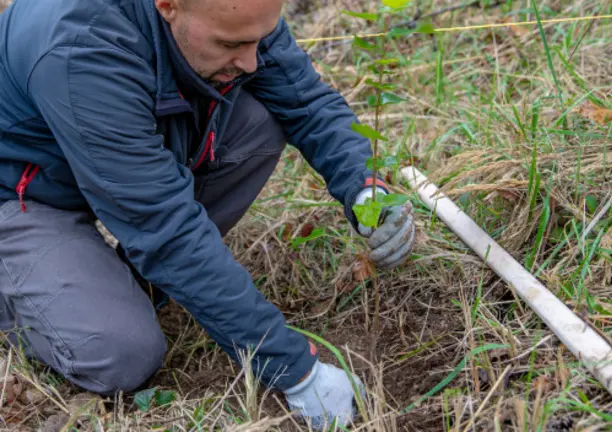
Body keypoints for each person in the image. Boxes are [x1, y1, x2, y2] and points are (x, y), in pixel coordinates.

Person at [0, 0, 415, 428]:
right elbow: (166, 229)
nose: (252, 61)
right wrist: (296, 371)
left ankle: (120, 282)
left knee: (260, 119)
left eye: (257, 40)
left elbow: (308, 103)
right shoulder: (82, 51)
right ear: (168, 6)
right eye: (231, 44)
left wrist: (365, 189)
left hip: (107, 157)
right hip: (21, 191)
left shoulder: (234, 12)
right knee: (119, 352)